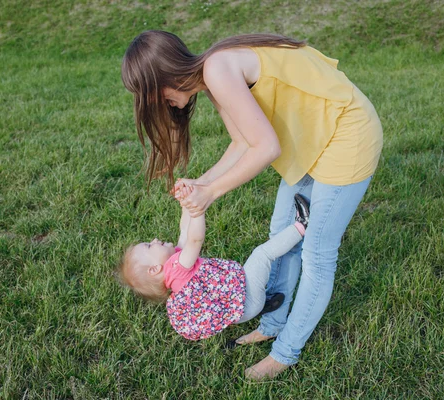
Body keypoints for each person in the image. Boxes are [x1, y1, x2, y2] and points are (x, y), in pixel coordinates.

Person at [121, 30, 383, 379]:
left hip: (347, 134)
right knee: (281, 232)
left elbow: (266, 148)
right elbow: (242, 143)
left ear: (165, 75)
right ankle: (274, 323)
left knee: (317, 254)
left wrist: (210, 194)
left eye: (155, 96)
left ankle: (285, 353)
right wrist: (202, 183)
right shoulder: (211, 78)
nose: (162, 105)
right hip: (315, 139)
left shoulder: (217, 69)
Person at [117, 192, 311, 341]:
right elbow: (194, 239)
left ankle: (266, 305)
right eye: (149, 245)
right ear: (154, 269)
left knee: (251, 273)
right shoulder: (177, 267)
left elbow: (184, 231)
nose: (154, 239)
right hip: (248, 301)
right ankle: (302, 226)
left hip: (241, 310)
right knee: (261, 256)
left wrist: (186, 204)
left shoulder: (175, 269)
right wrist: (198, 210)